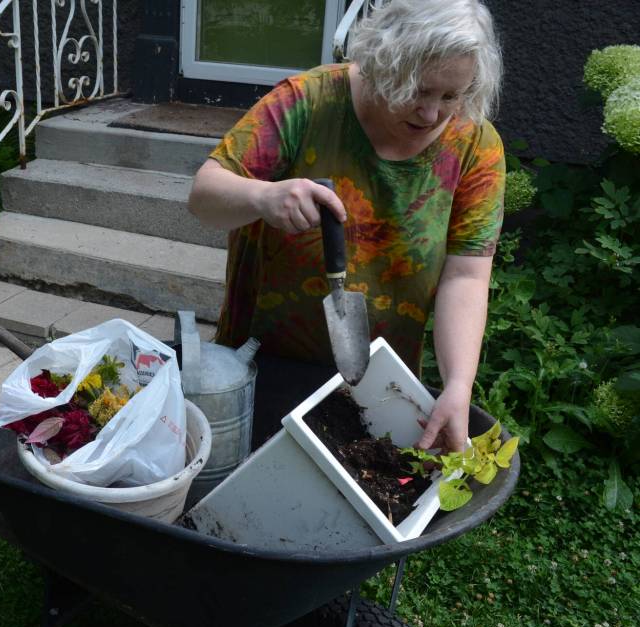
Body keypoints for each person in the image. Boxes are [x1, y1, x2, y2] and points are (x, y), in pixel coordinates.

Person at [187, 0, 504, 454]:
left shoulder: (475, 145)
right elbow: (203, 197)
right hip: (261, 363)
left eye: (450, 96)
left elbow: (467, 276)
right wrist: (263, 197)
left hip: (376, 387)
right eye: (416, 90)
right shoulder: (308, 101)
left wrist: (458, 385)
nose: (432, 114)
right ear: (379, 65)